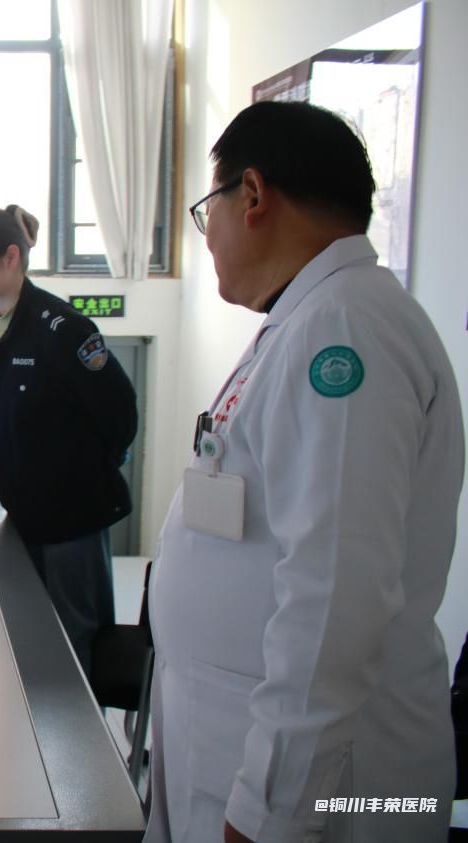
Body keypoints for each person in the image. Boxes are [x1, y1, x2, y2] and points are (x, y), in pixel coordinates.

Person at [147, 101, 463, 843]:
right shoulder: (309, 318)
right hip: (233, 733)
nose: (209, 237)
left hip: (324, 791)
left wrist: (271, 812)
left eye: (208, 211)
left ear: (253, 195)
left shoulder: (342, 332)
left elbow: (335, 597)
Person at [0, 205, 138, 681]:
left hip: (73, 517)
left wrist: (82, 472)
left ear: (10, 257)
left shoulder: (63, 329)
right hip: (21, 510)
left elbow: (120, 411)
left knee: (76, 640)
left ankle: (82, 730)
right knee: (26, 631)